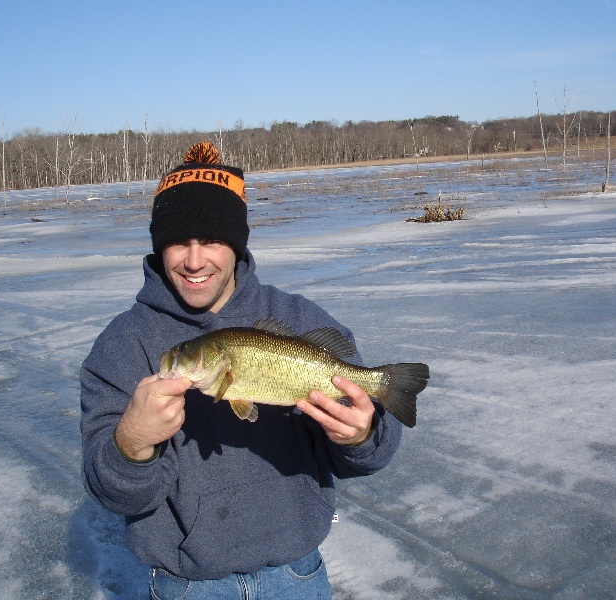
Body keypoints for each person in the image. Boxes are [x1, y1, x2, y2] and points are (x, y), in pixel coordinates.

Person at [80, 141, 403, 599]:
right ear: (158, 247)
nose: (195, 261)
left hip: (298, 576)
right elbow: (111, 493)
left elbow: (373, 453)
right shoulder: (121, 347)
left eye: (211, 240)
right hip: (186, 586)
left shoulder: (300, 317)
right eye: (178, 243)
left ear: (236, 243)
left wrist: (362, 435)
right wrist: (131, 443)